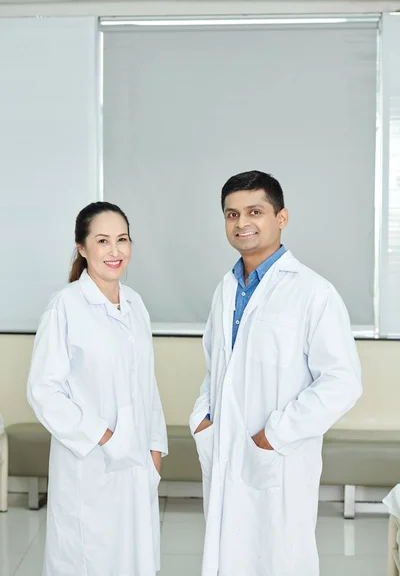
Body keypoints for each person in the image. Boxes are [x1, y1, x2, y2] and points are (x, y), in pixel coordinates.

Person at [190, 170, 362, 576]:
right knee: (227, 556)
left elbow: (342, 381)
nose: (242, 223)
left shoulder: (313, 292)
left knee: (279, 557)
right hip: (226, 446)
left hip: (277, 457)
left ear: (281, 218)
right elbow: (217, 367)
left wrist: (275, 435)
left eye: (255, 211)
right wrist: (203, 418)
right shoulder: (225, 289)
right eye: (232, 215)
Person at [27, 201, 167, 576]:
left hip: (136, 462)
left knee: (134, 559)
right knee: (90, 559)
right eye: (103, 240)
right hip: (90, 463)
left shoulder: (135, 305)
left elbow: (145, 383)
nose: (115, 250)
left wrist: (155, 446)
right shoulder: (66, 307)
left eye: (122, 240)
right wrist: (102, 435)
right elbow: (44, 390)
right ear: (83, 248)